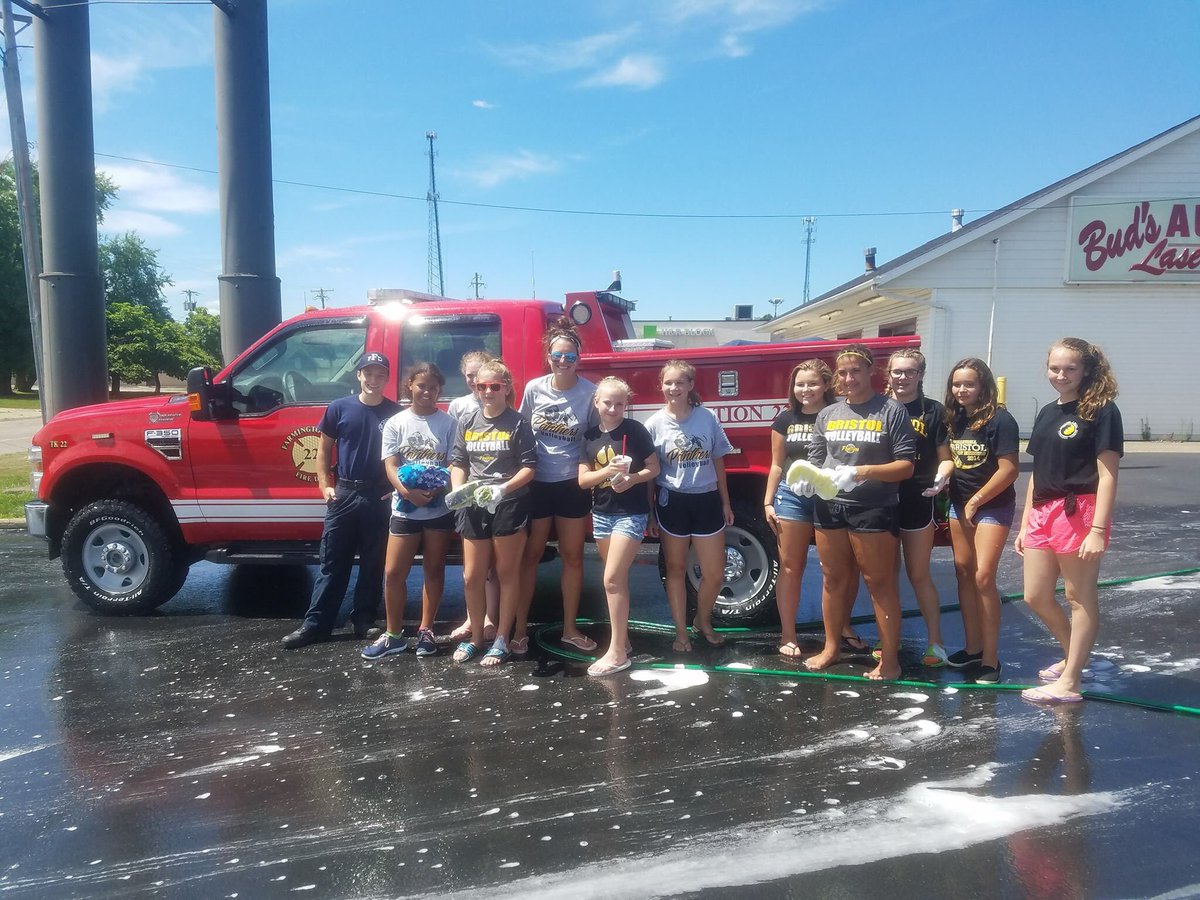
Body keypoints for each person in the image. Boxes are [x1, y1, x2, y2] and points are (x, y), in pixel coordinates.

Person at [1016, 338, 1122, 704]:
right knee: (1035, 595)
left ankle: (1071, 681)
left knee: (1078, 596)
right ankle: (1075, 656)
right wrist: (1026, 521)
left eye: (1070, 368)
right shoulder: (1047, 412)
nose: (1061, 375)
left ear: (1087, 370)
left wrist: (1097, 530)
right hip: (1043, 512)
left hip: (1080, 511)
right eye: (1055, 368)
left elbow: (1107, 474)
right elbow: (1037, 471)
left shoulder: (1102, 410)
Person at [802, 344, 917, 680]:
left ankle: (890, 661)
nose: (849, 378)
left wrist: (861, 471)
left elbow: (906, 466)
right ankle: (832, 647)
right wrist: (806, 479)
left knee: (878, 584)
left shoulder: (891, 411)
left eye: (856, 371)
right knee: (833, 579)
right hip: (829, 506)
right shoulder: (828, 414)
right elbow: (815, 459)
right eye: (843, 372)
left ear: (870, 372)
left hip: (874, 507)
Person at [282, 352, 401, 648]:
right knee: (333, 563)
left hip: (379, 495)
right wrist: (325, 486)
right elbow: (323, 451)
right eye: (368, 374)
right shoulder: (338, 408)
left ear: (387, 378)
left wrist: (395, 488)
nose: (374, 380)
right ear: (358, 375)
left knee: (374, 563)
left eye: (380, 375)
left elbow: (402, 456)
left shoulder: (395, 413)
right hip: (345, 493)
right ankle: (316, 624)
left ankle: (363, 619)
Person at [763, 359, 868, 659]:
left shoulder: (839, 415)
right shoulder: (784, 420)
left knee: (839, 569)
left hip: (831, 494)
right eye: (799, 384)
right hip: (792, 496)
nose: (805, 389)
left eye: (812, 383)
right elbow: (775, 464)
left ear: (825, 385)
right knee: (791, 566)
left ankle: (842, 628)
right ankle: (788, 634)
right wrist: (768, 501)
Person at [362, 362, 457, 660]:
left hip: (438, 506)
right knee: (393, 573)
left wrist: (435, 488)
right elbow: (390, 464)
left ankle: (427, 630)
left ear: (439, 389)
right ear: (410, 387)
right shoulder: (396, 422)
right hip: (404, 509)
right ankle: (393, 635)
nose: (427, 391)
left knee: (434, 569)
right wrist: (406, 492)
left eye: (432, 386)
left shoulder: (449, 423)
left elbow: (455, 462)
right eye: (421, 385)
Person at [515, 319, 598, 655]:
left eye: (570, 356)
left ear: (579, 357)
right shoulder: (534, 389)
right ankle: (518, 629)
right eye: (557, 356)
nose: (563, 361)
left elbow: (596, 438)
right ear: (548, 356)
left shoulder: (590, 392)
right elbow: (520, 431)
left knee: (573, 557)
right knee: (531, 555)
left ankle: (569, 629)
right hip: (536, 483)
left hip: (571, 484)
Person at [449, 358, 537, 667]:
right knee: (472, 576)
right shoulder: (467, 420)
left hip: (508, 503)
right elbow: (458, 462)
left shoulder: (517, 422)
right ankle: (476, 638)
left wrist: (503, 489)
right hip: (474, 504)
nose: (487, 391)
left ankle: (501, 637)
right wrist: (458, 489)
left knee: (506, 573)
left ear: (506, 388)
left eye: (494, 386)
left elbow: (529, 468)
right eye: (481, 386)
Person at [646, 360, 734, 652]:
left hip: (707, 499)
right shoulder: (654, 424)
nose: (674, 388)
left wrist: (725, 502)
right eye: (668, 382)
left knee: (715, 573)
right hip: (673, 502)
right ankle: (681, 631)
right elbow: (650, 473)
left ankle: (703, 619)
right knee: (675, 569)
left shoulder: (707, 418)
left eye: (680, 382)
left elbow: (718, 461)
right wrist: (650, 512)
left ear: (690, 386)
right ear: (661, 385)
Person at [944, 357, 1020, 683]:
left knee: (983, 577)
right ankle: (973, 648)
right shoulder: (955, 419)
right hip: (958, 506)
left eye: (969, 384)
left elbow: (1009, 469)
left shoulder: (1001, 421)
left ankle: (991, 659)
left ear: (983, 386)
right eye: (957, 384)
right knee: (963, 572)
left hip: (992, 507)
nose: (962, 390)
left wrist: (977, 500)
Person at [578, 377, 660, 676]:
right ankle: (622, 642)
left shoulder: (635, 431)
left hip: (631, 513)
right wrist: (607, 473)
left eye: (619, 404)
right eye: (607, 403)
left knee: (611, 579)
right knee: (617, 580)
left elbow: (654, 468)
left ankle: (615, 653)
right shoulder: (588, 436)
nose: (613, 408)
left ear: (627, 405)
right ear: (596, 402)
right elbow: (583, 480)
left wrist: (632, 478)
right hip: (601, 513)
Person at [885, 348, 955, 667]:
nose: (902, 377)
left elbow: (946, 457)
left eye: (909, 372)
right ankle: (890, 639)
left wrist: (941, 478)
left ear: (920, 375)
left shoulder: (933, 411)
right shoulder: (877, 408)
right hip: (881, 501)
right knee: (884, 576)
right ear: (889, 374)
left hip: (918, 498)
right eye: (897, 371)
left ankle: (936, 642)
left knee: (918, 574)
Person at [446, 350, 500, 644]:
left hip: (495, 493)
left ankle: (491, 616)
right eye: (470, 376)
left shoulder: (498, 399)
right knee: (472, 566)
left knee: (492, 564)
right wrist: (458, 488)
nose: (475, 381)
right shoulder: (459, 407)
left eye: (479, 375)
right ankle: (472, 618)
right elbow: (458, 454)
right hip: (467, 493)